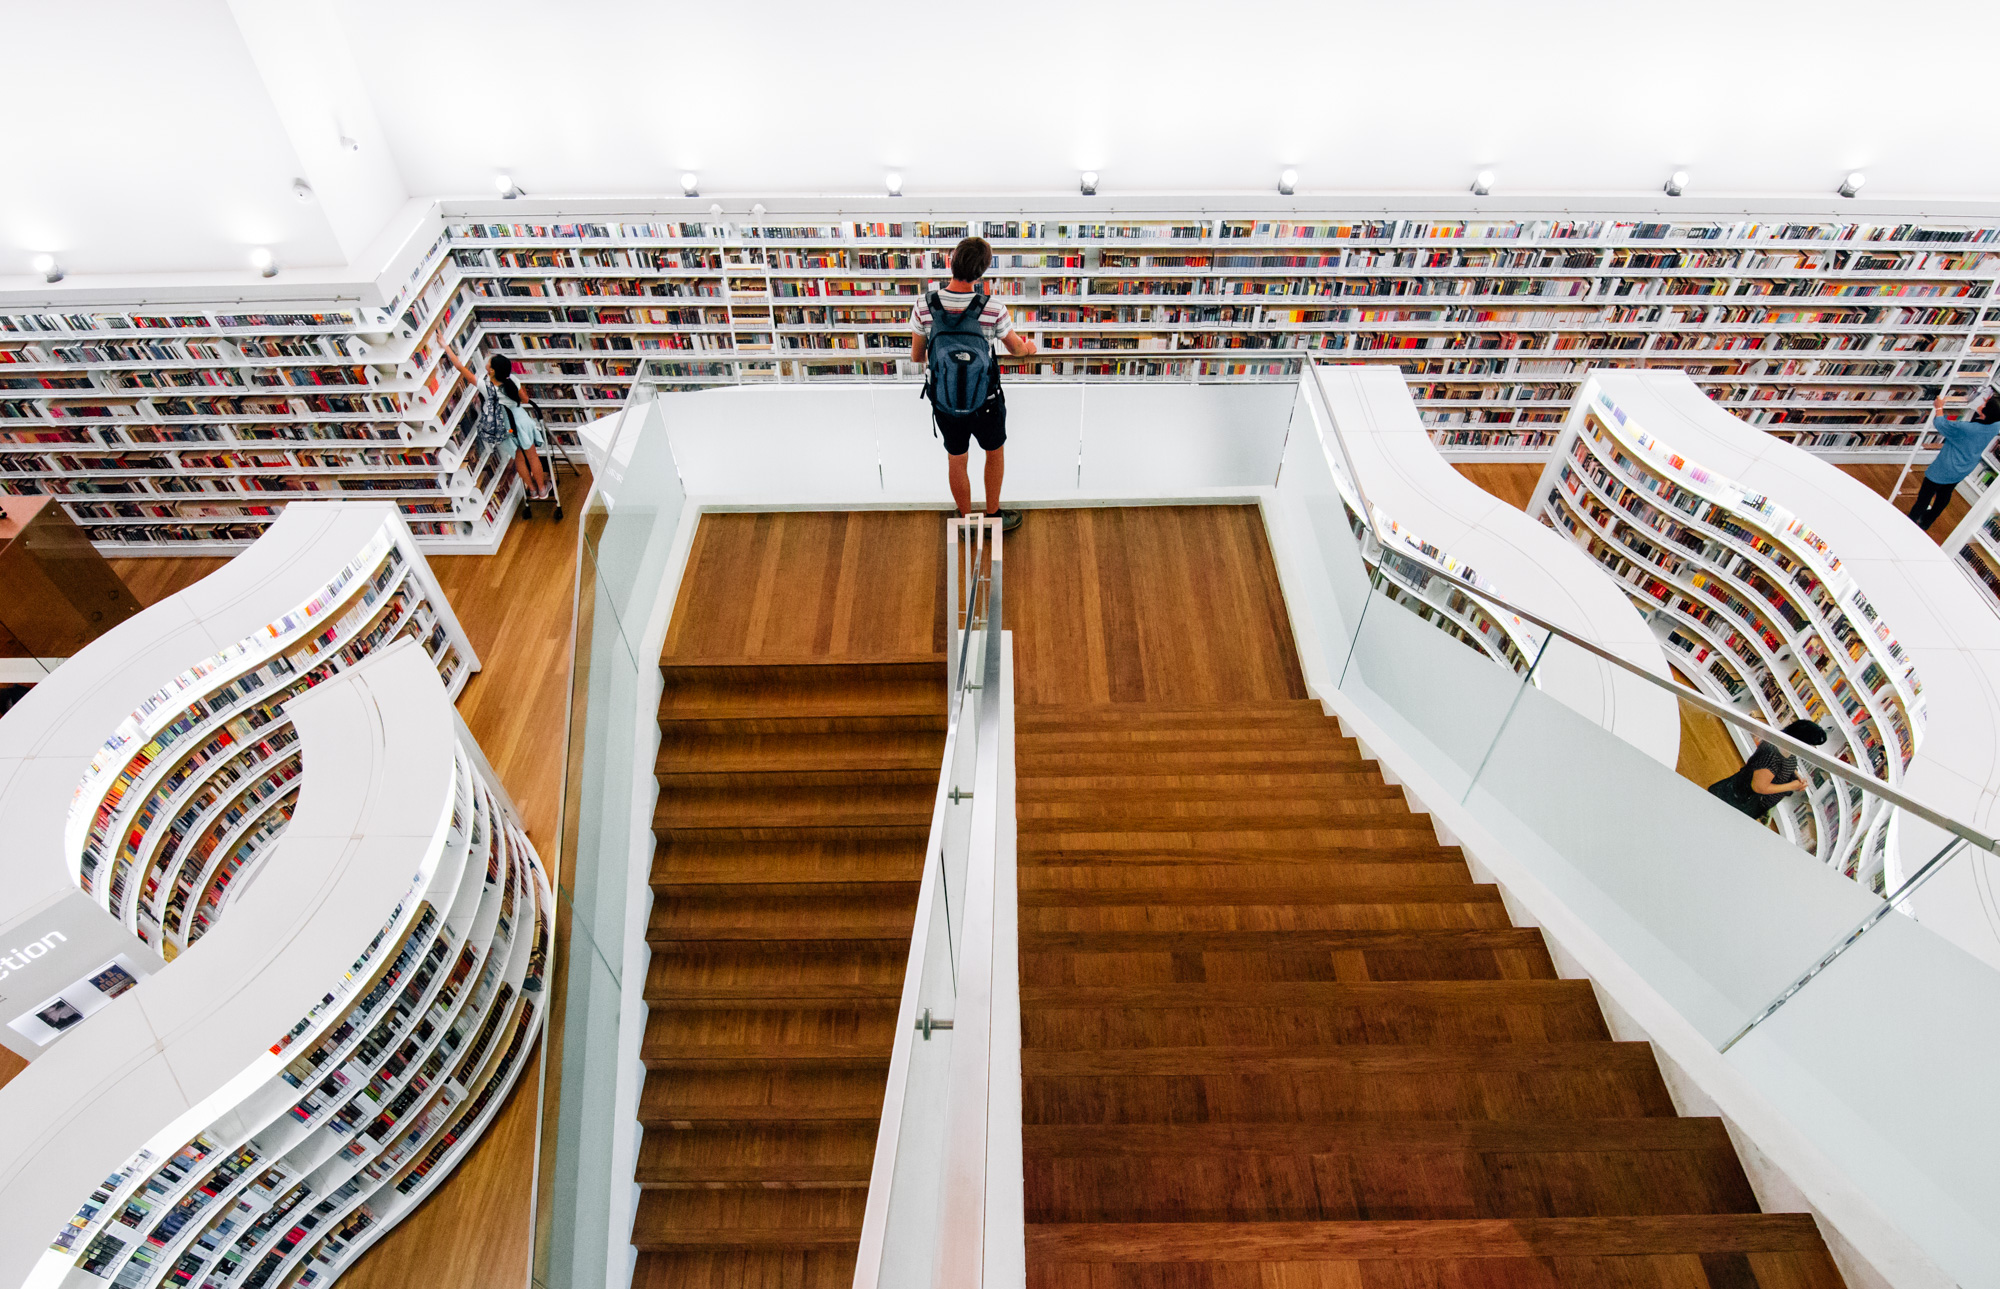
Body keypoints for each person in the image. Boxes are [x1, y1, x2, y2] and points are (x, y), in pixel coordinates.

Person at [910, 236, 1037, 531]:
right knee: (994, 454)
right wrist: (1029, 348)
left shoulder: (924, 304)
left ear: (951, 262)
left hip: (944, 401)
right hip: (987, 401)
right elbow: (1016, 348)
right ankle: (993, 516)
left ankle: (966, 521)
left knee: (957, 460)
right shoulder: (993, 308)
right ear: (982, 272)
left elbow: (917, 356)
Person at [438, 343, 559, 520]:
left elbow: (459, 367)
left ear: (492, 371)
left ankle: (531, 490)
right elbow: (525, 399)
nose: (487, 363)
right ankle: (542, 488)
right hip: (522, 423)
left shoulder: (485, 386)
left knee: (519, 459)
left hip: (505, 428)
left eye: (489, 363)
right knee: (532, 456)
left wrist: (446, 347)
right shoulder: (513, 380)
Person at [1907, 390, 2000, 532]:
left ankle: (1910, 521)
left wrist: (1939, 407)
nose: (1983, 402)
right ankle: (1927, 521)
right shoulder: (1995, 424)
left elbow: (1941, 424)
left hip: (1945, 466)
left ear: (1986, 411)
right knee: (1945, 494)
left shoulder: (1967, 429)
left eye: (1985, 403)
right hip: (1965, 466)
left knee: (1924, 497)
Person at [1707, 720, 1830, 822]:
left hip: (1750, 802)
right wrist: (1790, 786)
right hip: (1740, 801)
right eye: (1811, 744)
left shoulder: (1787, 748)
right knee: (1717, 820)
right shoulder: (1772, 754)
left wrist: (1795, 775)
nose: (1812, 748)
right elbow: (1759, 787)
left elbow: (1785, 765)